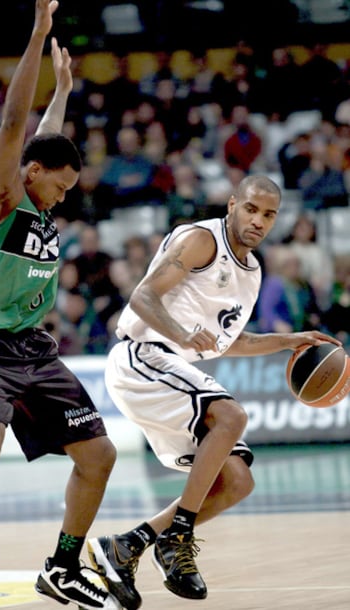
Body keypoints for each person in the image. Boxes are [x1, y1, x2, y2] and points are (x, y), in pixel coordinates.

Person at [86, 174, 340, 610]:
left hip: (169, 368)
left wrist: (288, 340)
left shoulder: (253, 273)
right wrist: (182, 332)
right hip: (141, 356)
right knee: (233, 416)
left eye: (269, 214)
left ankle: (126, 546)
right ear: (232, 205)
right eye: (251, 209)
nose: (258, 221)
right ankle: (178, 537)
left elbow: (230, 342)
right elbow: (143, 297)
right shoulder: (202, 240)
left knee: (237, 481)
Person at [0, 2, 118, 609]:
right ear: (31, 174)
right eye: (59, 186)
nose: (63, 199)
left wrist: (63, 90)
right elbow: (16, 126)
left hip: (31, 348)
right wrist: (38, 38)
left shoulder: (38, 198)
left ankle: (63, 568)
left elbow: (42, 138)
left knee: (99, 454)